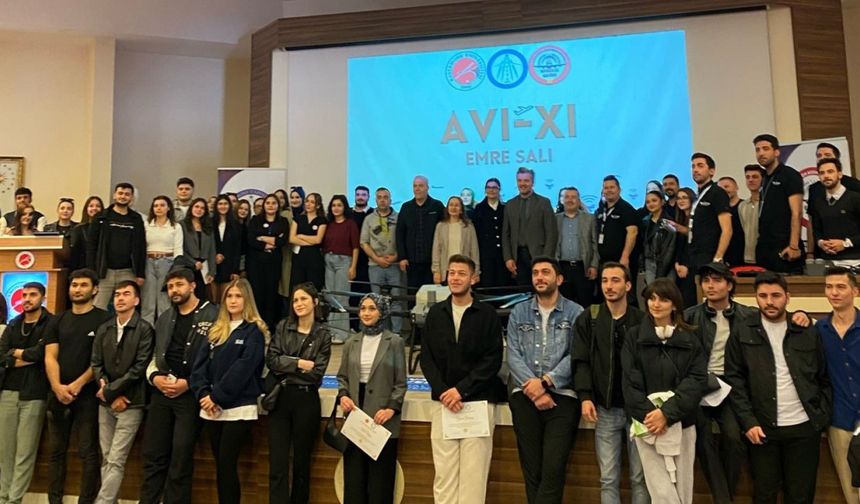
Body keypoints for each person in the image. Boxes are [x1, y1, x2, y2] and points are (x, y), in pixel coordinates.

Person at [725, 271, 831, 504]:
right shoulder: (743, 330)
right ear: (756, 298)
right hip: (762, 428)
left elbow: (823, 376)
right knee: (764, 494)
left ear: (787, 297)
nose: (769, 301)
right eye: (763, 296)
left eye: (776, 295)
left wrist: (821, 414)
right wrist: (748, 421)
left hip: (804, 427)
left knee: (801, 496)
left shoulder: (805, 329)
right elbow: (735, 380)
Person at [421, 254, 503, 504]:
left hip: (477, 403)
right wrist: (445, 391)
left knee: (473, 478)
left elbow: (492, 360)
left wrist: (461, 390)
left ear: (473, 279)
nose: (455, 278)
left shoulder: (487, 314)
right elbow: (427, 359)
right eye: (452, 273)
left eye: (461, 274)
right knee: (444, 477)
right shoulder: (435, 313)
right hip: (444, 403)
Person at [139, 261, 218, 504]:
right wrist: (155, 378)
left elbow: (217, 359)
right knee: (153, 455)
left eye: (179, 284)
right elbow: (154, 356)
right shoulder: (164, 317)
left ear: (192, 286)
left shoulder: (213, 314)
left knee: (181, 458)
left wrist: (190, 383)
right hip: (161, 393)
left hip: (191, 395)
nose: (174, 290)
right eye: (171, 286)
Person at [622, 278, 707, 504]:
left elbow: (696, 380)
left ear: (675, 304)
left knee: (683, 491)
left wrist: (667, 413)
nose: (656, 304)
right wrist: (652, 416)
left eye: (663, 299)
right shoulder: (634, 337)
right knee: (660, 492)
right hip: (647, 424)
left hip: (682, 422)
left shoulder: (690, 338)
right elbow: (630, 382)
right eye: (652, 298)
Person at [507, 256, 583, 503]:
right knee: (532, 469)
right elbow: (513, 354)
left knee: (553, 468)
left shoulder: (575, 312)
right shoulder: (519, 312)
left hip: (563, 397)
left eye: (545, 272)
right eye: (535, 273)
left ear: (558, 279)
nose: (539, 277)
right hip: (524, 395)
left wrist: (546, 382)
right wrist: (534, 388)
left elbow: (576, 355)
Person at [572, 262, 649, 504]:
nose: (609, 286)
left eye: (615, 280)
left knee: (640, 478)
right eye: (605, 280)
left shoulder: (642, 320)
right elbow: (581, 360)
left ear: (628, 285)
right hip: (605, 409)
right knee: (607, 479)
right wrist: (585, 396)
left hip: (638, 411)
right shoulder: (590, 317)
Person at [190, 278, 267, 504]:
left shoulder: (254, 332)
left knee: (226, 463)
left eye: (238, 296)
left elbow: (243, 369)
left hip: (238, 407)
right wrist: (203, 394)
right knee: (220, 464)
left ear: (247, 300)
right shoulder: (215, 330)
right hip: (211, 408)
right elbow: (199, 367)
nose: (233, 301)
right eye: (229, 296)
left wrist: (216, 396)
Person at [683, 263, 752, 503]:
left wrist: (801, 314)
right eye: (706, 281)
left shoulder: (747, 315)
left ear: (729, 285)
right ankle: (723, 499)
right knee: (703, 439)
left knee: (734, 438)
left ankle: (725, 496)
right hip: (701, 384)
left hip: (731, 386)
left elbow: (779, 317)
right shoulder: (690, 316)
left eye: (716, 280)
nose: (710, 286)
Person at [44, 270, 111, 504]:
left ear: (95, 289)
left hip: (88, 396)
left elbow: (101, 359)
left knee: (88, 452)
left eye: (83, 285)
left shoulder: (104, 319)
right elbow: (50, 356)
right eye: (74, 285)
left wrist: (77, 385)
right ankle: (54, 500)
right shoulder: (58, 320)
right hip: (57, 395)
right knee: (56, 452)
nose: (77, 289)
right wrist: (57, 387)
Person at [337, 293, 407, 504]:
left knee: (379, 488)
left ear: (382, 312)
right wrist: (343, 396)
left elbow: (400, 383)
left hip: (382, 420)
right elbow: (342, 377)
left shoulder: (394, 342)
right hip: (356, 420)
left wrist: (391, 408)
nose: (366, 313)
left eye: (372, 308)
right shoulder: (351, 342)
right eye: (363, 309)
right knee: (354, 485)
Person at [267, 282, 332, 504]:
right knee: (277, 463)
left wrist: (286, 364)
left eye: (303, 299)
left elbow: (317, 373)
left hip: (306, 400)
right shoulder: (283, 326)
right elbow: (272, 360)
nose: (299, 304)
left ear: (315, 302)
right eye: (295, 300)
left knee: (302, 464)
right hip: (281, 397)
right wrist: (299, 364)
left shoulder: (323, 334)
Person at [91, 281, 154, 504]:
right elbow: (96, 363)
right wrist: (108, 392)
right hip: (105, 402)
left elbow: (139, 368)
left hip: (131, 402)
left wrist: (111, 391)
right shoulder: (104, 328)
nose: (120, 298)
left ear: (136, 300)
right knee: (107, 457)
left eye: (126, 294)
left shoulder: (145, 329)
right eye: (117, 294)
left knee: (116, 459)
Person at [0, 282, 51, 504]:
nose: (27, 299)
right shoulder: (14, 323)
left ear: (43, 297)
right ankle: (3, 497)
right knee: (5, 451)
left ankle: (14, 500)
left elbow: (40, 354)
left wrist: (15, 355)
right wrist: (22, 357)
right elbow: (1, 356)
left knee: (25, 453)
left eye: (33, 294)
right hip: (8, 391)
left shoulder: (50, 323)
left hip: (34, 393)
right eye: (24, 295)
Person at [816, 267, 860, 504]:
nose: (834, 292)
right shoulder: (818, 331)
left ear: (855, 291)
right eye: (829, 287)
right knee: (850, 490)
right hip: (840, 418)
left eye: (841, 287)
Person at [87, 182, 147, 310]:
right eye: (120, 193)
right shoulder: (101, 217)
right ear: (114, 195)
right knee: (98, 307)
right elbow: (91, 246)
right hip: (104, 272)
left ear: (131, 198)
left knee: (128, 307)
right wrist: (92, 271)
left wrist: (140, 273)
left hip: (128, 271)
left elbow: (141, 247)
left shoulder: (136, 219)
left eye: (127, 194)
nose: (123, 196)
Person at [754, 134, 804, 273]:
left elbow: (797, 212)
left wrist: (793, 246)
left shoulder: (790, 175)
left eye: (765, 149)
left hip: (784, 246)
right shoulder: (764, 178)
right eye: (757, 150)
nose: (761, 153)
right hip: (765, 246)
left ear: (776, 152)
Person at [502, 167, 558, 287]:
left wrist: (546, 258)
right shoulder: (510, 204)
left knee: (541, 289)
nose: (523, 184)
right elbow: (506, 234)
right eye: (520, 180)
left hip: (539, 255)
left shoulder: (544, 202)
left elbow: (551, 233)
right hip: (518, 257)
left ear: (532, 182)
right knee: (523, 291)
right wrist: (508, 258)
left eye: (526, 180)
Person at [360, 187, 405, 334]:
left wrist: (396, 256)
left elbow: (404, 239)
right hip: (375, 265)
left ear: (390, 200)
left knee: (396, 300)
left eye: (385, 197)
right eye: (379, 197)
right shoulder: (369, 219)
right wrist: (377, 259)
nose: (382, 200)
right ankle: (380, 333)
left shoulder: (399, 217)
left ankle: (396, 333)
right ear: (375, 200)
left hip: (394, 265)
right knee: (377, 302)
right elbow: (364, 242)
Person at [807, 143, 860, 259]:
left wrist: (846, 244)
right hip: (827, 259)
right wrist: (821, 243)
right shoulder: (818, 200)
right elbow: (816, 228)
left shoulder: (855, 197)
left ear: (839, 174)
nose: (826, 176)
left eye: (830, 171)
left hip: (854, 260)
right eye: (822, 173)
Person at [246, 194, 290, 331]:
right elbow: (251, 239)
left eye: (273, 203)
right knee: (257, 295)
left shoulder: (283, 221)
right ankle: (256, 326)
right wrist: (269, 243)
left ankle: (269, 328)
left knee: (271, 296)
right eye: (268, 203)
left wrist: (263, 238)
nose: (270, 206)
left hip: (274, 264)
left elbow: (283, 240)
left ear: (278, 206)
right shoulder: (255, 220)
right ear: (264, 205)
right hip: (256, 264)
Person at [397, 175, 445, 290]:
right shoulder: (406, 207)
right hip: (411, 262)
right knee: (413, 294)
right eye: (415, 186)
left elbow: (443, 232)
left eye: (421, 186)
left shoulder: (437, 206)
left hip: (432, 262)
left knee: (432, 293)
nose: (417, 189)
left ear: (427, 188)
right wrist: (402, 257)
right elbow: (399, 234)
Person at [322, 194, 360, 342]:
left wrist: (353, 267)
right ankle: (332, 331)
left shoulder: (350, 224)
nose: (336, 208)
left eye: (339, 205)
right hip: (328, 261)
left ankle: (342, 333)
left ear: (344, 207)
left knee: (342, 297)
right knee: (330, 296)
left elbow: (355, 247)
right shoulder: (329, 224)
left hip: (344, 262)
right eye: (333, 205)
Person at [142, 196, 183, 324]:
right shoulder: (146, 225)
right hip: (148, 262)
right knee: (148, 299)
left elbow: (178, 249)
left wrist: (176, 268)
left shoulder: (175, 227)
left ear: (168, 207)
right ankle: (146, 330)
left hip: (167, 262)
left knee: (164, 299)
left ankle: (164, 329)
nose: (158, 208)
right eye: (156, 206)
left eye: (162, 205)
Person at [687, 153, 731, 271]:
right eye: (693, 166)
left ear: (711, 171)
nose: (695, 170)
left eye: (700, 166)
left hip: (710, 256)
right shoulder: (698, 194)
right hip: (695, 254)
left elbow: (727, 229)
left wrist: (718, 258)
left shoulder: (717, 193)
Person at [556, 186, 598, 307]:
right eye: (567, 197)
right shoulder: (555, 219)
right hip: (562, 268)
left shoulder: (589, 219)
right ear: (562, 200)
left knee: (585, 304)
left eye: (573, 197)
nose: (570, 200)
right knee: (565, 305)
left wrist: (594, 265)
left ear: (579, 200)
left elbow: (595, 243)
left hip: (583, 269)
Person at [432, 196, 480, 284]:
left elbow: (474, 250)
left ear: (461, 210)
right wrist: (436, 271)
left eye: (457, 205)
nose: (453, 208)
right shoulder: (440, 226)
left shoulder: (468, 227)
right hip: (446, 270)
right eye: (451, 205)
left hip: (464, 269)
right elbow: (436, 250)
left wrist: (476, 271)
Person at [596, 175, 638, 273]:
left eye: (612, 187)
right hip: (602, 261)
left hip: (620, 261)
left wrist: (625, 256)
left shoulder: (626, 209)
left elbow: (632, 233)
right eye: (606, 188)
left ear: (619, 190)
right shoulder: (601, 209)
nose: (608, 190)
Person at [471, 178, 508, 288]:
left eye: (494, 188)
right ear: (485, 190)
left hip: (503, 256)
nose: (491, 190)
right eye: (489, 187)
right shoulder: (479, 209)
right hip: (485, 256)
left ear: (499, 190)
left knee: (503, 285)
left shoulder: (505, 208)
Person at [180, 198, 216, 302]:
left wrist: (212, 272)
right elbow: (180, 248)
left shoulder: (208, 227)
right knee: (186, 296)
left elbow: (212, 250)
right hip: (187, 266)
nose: (199, 210)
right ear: (191, 208)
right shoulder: (182, 225)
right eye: (196, 207)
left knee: (201, 297)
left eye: (202, 208)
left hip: (203, 268)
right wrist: (193, 262)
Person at [290, 192, 327, 290]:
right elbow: (292, 238)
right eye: (307, 201)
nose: (308, 204)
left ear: (318, 205)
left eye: (312, 202)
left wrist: (301, 236)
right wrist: (310, 241)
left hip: (314, 258)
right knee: (297, 286)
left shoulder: (321, 220)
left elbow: (318, 240)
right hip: (299, 257)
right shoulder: (298, 218)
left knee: (313, 286)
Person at [349, 185, 374, 328]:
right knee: (351, 294)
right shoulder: (348, 213)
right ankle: (352, 326)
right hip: (351, 259)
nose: (360, 197)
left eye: (363, 195)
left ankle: (365, 325)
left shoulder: (373, 214)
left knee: (366, 293)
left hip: (368, 259)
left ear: (368, 197)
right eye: (358, 194)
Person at [640, 190, 676, 284]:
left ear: (662, 202)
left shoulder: (668, 222)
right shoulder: (644, 222)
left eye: (654, 200)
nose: (651, 204)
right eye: (648, 202)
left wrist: (665, 265)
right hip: (649, 262)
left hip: (666, 263)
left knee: (667, 290)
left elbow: (671, 246)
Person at [213, 194, 243, 300]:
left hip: (229, 267)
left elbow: (238, 249)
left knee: (225, 299)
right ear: (216, 206)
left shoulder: (236, 225)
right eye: (220, 204)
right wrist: (214, 255)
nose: (223, 206)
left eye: (225, 204)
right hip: (213, 266)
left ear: (229, 206)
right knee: (213, 299)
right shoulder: (209, 223)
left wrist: (235, 271)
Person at [673, 187, 697, 308]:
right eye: (678, 198)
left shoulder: (696, 219)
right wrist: (677, 263)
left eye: (684, 197)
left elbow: (695, 245)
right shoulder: (680, 219)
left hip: (692, 266)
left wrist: (687, 265)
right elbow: (678, 246)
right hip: (679, 266)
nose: (681, 201)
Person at [738, 165, 764, 265]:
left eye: (755, 177)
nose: (751, 180)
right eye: (747, 177)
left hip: (766, 256)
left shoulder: (767, 204)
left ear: (763, 179)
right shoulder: (742, 206)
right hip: (748, 256)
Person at [717, 177, 745, 267]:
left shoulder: (745, 207)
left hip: (742, 253)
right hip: (724, 254)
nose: (724, 190)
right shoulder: (716, 210)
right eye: (720, 188)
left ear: (736, 187)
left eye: (727, 186)